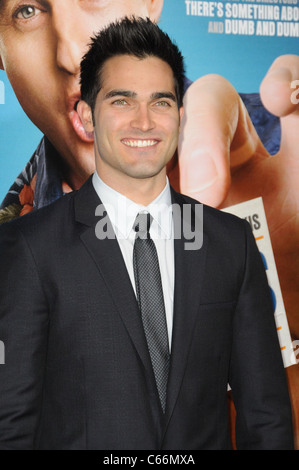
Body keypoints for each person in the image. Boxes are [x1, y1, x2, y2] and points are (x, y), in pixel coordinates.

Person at [0, 0, 298, 448]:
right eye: (121, 100)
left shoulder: (232, 240)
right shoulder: (26, 246)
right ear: (87, 115)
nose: (143, 121)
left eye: (159, 101)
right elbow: (12, 425)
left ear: (179, 116)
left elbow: (268, 418)